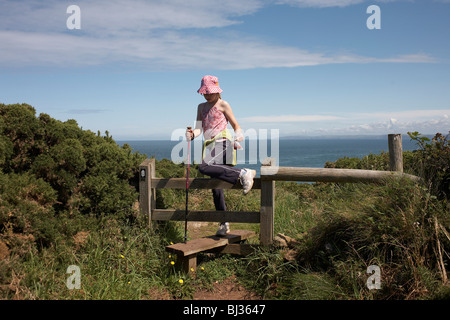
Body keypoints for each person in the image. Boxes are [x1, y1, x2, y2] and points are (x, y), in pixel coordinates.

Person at [186, 75, 256, 236]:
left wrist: (239, 135)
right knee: (216, 188)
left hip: (224, 142)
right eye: (204, 92)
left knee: (204, 166)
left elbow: (236, 126)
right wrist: (192, 134)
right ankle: (224, 223)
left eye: (209, 92)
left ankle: (243, 173)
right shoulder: (200, 107)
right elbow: (199, 128)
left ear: (217, 91)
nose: (207, 95)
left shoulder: (223, 104)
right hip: (210, 146)